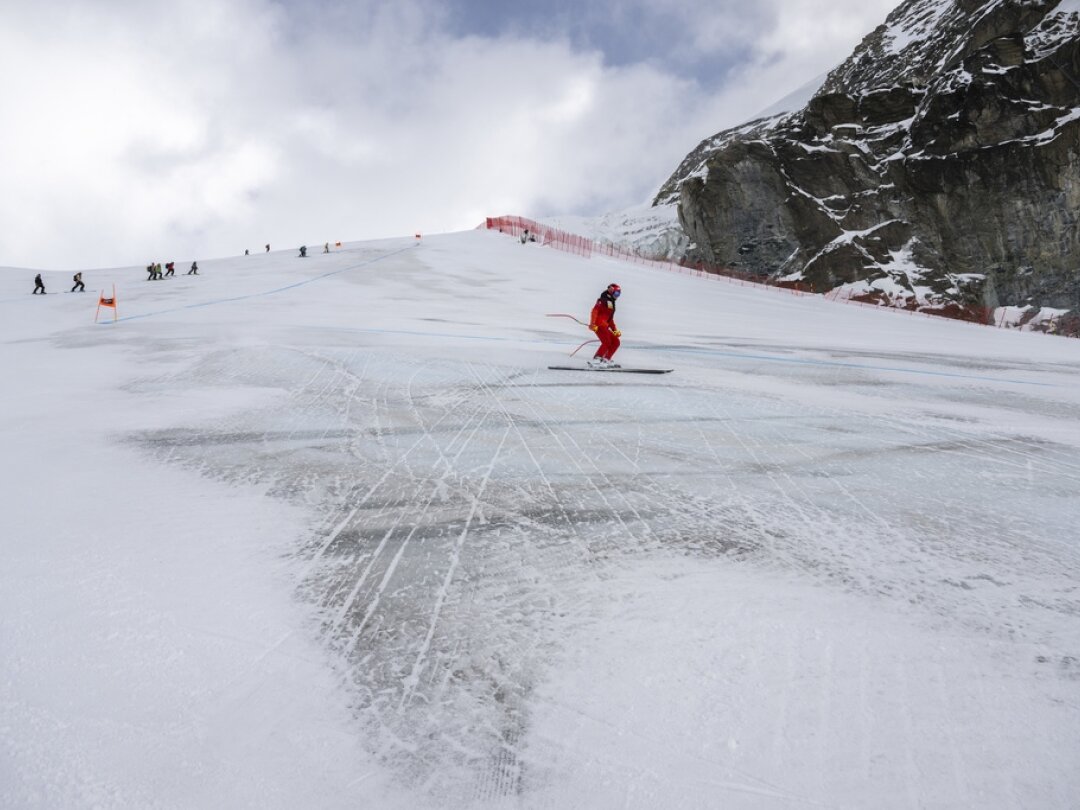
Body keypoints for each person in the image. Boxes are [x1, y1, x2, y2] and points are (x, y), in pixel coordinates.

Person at [588, 283, 622, 367]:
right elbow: (594, 311)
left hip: (605, 326)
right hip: (598, 325)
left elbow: (610, 320)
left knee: (616, 342)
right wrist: (592, 324)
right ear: (611, 291)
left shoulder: (611, 303)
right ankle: (596, 360)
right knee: (606, 342)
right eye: (616, 293)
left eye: (619, 294)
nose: (617, 296)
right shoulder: (602, 300)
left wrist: (615, 330)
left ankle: (606, 360)